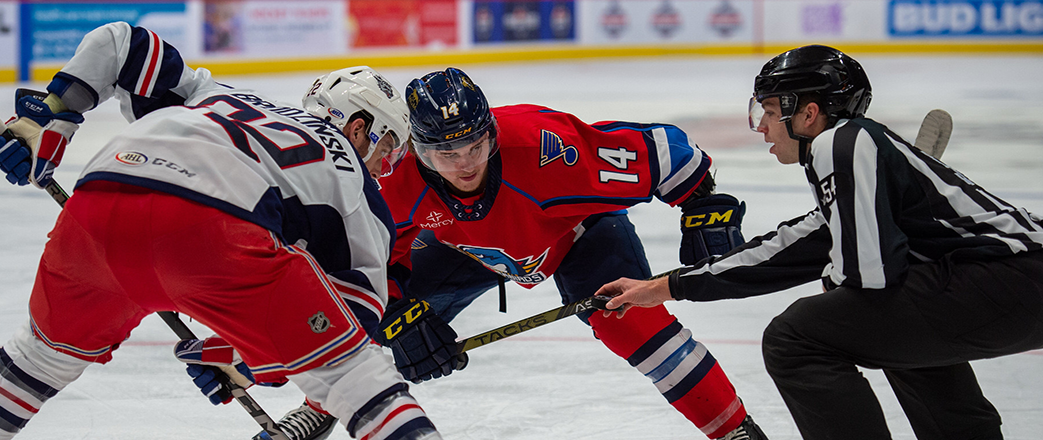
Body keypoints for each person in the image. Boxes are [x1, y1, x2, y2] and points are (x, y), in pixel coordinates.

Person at [0, 22, 440, 440]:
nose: (389, 166)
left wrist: (56, 115)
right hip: (212, 230)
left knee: (35, 360)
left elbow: (121, 43)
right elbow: (351, 322)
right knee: (357, 373)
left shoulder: (220, 94)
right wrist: (247, 359)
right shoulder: (358, 189)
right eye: (390, 146)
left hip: (100, 200)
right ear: (358, 127)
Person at [597, 45, 1043, 439]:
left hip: (1017, 277)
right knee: (896, 326)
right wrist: (662, 287)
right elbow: (786, 249)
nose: (762, 127)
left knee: (797, 337)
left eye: (770, 112)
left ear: (808, 114)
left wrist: (842, 280)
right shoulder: (858, 153)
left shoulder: (841, 142)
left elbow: (869, 275)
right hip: (1018, 282)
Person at [311, 66, 764, 440]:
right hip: (471, 249)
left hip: (574, 235)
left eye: (475, 145)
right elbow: (374, 260)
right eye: (446, 153)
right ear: (419, 148)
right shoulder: (395, 179)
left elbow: (664, 152)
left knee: (632, 323)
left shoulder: (546, 147)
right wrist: (395, 310)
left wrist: (703, 204)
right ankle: (316, 408)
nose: (465, 164)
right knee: (368, 314)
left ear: (492, 132)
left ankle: (734, 431)